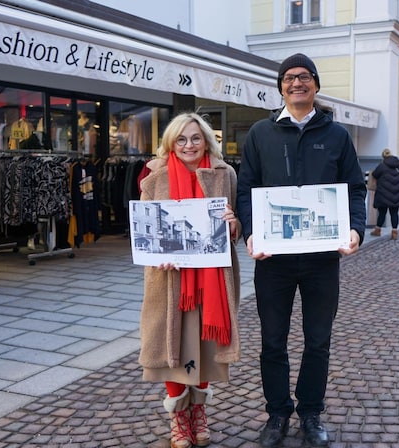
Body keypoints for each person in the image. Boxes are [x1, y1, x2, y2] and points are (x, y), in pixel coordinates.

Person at [236, 53, 366, 448]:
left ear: (315, 84)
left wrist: (356, 230)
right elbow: (247, 190)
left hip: (321, 260)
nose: (297, 83)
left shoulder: (337, 135)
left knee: (318, 340)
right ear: (280, 86)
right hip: (272, 261)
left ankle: (311, 413)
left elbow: (355, 189)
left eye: (304, 77)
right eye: (289, 77)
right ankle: (277, 413)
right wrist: (252, 233)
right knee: (272, 340)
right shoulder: (260, 133)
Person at [138, 112, 242, 448]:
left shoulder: (226, 174)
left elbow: (236, 228)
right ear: (171, 141)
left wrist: (232, 224)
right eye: (181, 139)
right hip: (169, 281)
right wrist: (157, 250)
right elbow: (143, 228)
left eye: (196, 138)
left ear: (206, 140)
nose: (189, 145)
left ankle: (198, 412)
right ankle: (178, 418)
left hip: (212, 281)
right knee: (172, 346)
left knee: (204, 348)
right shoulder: (153, 176)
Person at [369, 148, 399, 240]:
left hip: (384, 192)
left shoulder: (382, 166)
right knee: (394, 212)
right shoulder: (398, 165)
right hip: (397, 192)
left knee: (382, 212)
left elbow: (374, 174)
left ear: (383, 156)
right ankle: (394, 232)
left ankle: (377, 230)